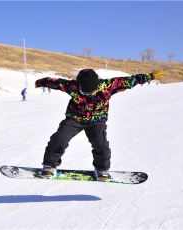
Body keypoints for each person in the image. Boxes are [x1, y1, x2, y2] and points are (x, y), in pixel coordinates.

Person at [35, 69, 166, 181]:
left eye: (91, 92)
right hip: (74, 119)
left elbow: (131, 80)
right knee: (59, 139)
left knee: (101, 145)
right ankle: (49, 166)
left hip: (97, 121)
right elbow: (53, 82)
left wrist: (151, 76)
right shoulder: (72, 86)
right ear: (78, 84)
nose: (88, 94)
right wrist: (40, 82)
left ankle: (102, 169)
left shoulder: (108, 85)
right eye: (84, 92)